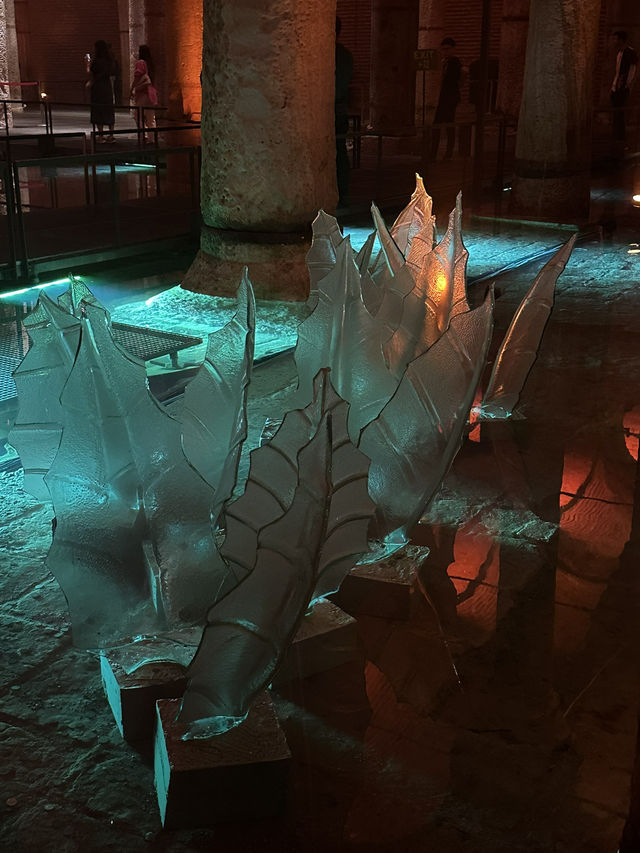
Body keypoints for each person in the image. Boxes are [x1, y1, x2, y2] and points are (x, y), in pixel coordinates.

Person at [431, 37, 462, 160]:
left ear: (453, 49)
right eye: (443, 49)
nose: (445, 52)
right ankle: (437, 152)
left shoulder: (454, 63)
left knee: (446, 125)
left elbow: (452, 80)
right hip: (445, 97)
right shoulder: (446, 62)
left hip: (450, 98)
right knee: (442, 125)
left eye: (448, 49)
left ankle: (443, 153)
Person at [335, 17, 353, 207]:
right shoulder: (346, 55)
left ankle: (339, 190)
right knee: (339, 150)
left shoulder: (332, 54)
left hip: (333, 110)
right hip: (340, 109)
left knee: (337, 151)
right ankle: (342, 190)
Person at [611, 30, 638, 142]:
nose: (614, 41)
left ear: (621, 40)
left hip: (623, 88)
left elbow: (634, 69)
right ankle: (617, 138)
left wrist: (629, 84)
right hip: (616, 87)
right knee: (616, 114)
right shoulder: (619, 53)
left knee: (620, 114)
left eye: (615, 39)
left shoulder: (629, 52)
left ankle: (620, 139)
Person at [88, 40, 115, 143]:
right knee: (108, 109)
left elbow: (91, 73)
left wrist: (87, 65)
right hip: (107, 87)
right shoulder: (110, 60)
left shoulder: (96, 61)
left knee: (98, 110)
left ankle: (100, 135)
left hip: (98, 88)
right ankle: (111, 134)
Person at [130, 44, 157, 138]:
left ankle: (142, 136)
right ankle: (152, 138)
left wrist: (132, 88)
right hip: (151, 92)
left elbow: (137, 76)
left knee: (138, 116)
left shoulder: (140, 62)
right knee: (150, 117)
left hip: (142, 93)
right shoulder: (151, 63)